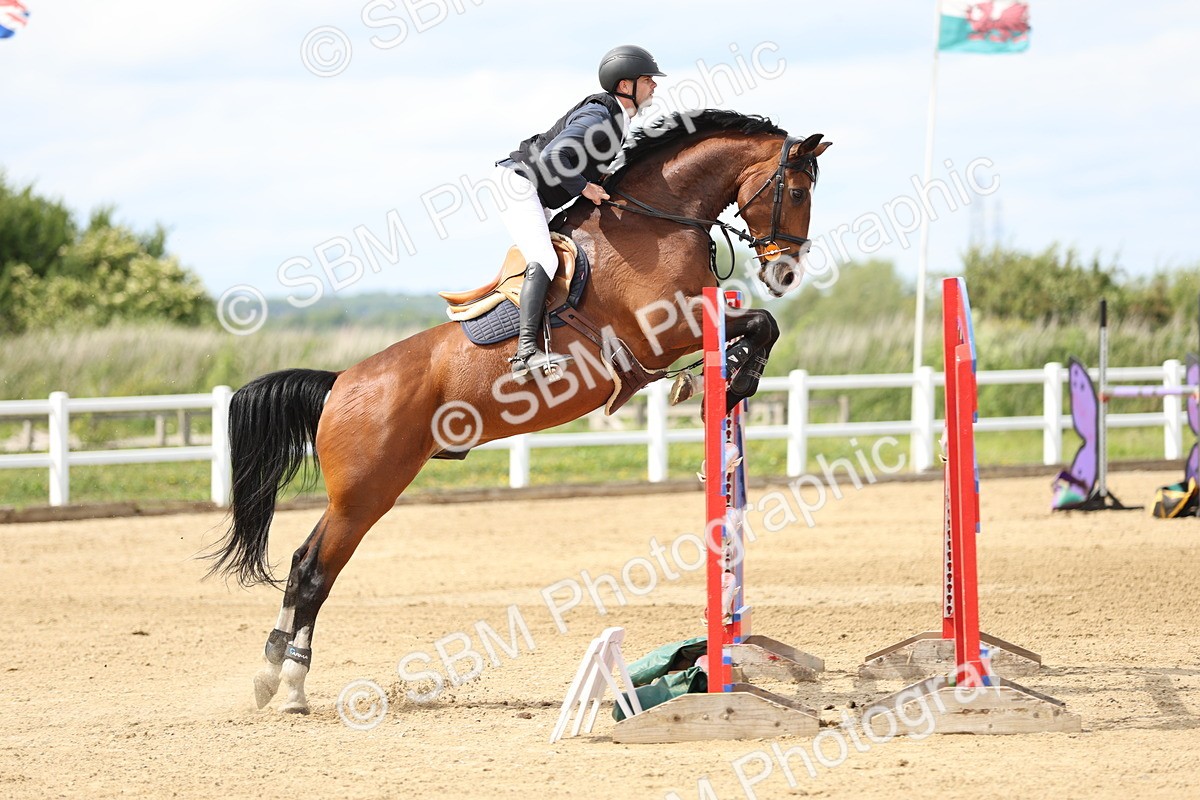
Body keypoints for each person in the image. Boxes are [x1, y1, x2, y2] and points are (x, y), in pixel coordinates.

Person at [495, 45, 664, 383]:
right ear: (625, 85)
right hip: (520, 184)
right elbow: (554, 157)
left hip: (536, 190)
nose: (654, 86)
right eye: (648, 79)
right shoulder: (601, 116)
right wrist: (585, 188)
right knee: (545, 258)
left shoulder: (616, 119)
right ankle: (525, 353)